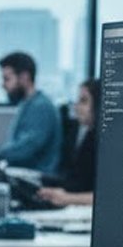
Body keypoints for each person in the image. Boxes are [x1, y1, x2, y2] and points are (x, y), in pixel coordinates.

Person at [0, 52, 61, 175]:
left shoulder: (41, 107)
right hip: (24, 172)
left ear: (24, 77)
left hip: (37, 178)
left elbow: (24, 150)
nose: (3, 85)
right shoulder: (27, 104)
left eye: (7, 79)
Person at [38, 78, 98, 207]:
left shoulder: (108, 143)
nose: (76, 107)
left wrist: (67, 198)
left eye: (84, 101)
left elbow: (107, 196)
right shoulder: (81, 132)